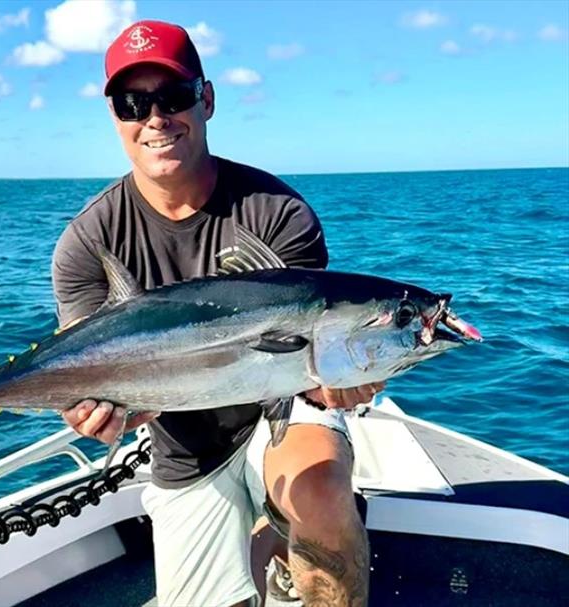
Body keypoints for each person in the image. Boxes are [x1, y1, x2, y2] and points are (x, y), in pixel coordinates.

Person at [52, 20, 381, 607]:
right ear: (115, 117)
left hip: (280, 412)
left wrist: (343, 383)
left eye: (173, 97)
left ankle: (286, 519)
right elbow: (84, 373)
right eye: (133, 103)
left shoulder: (276, 212)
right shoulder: (88, 241)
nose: (155, 118)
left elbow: (308, 367)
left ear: (206, 99)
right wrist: (100, 416)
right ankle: (267, 535)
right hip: (181, 442)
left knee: (322, 497)